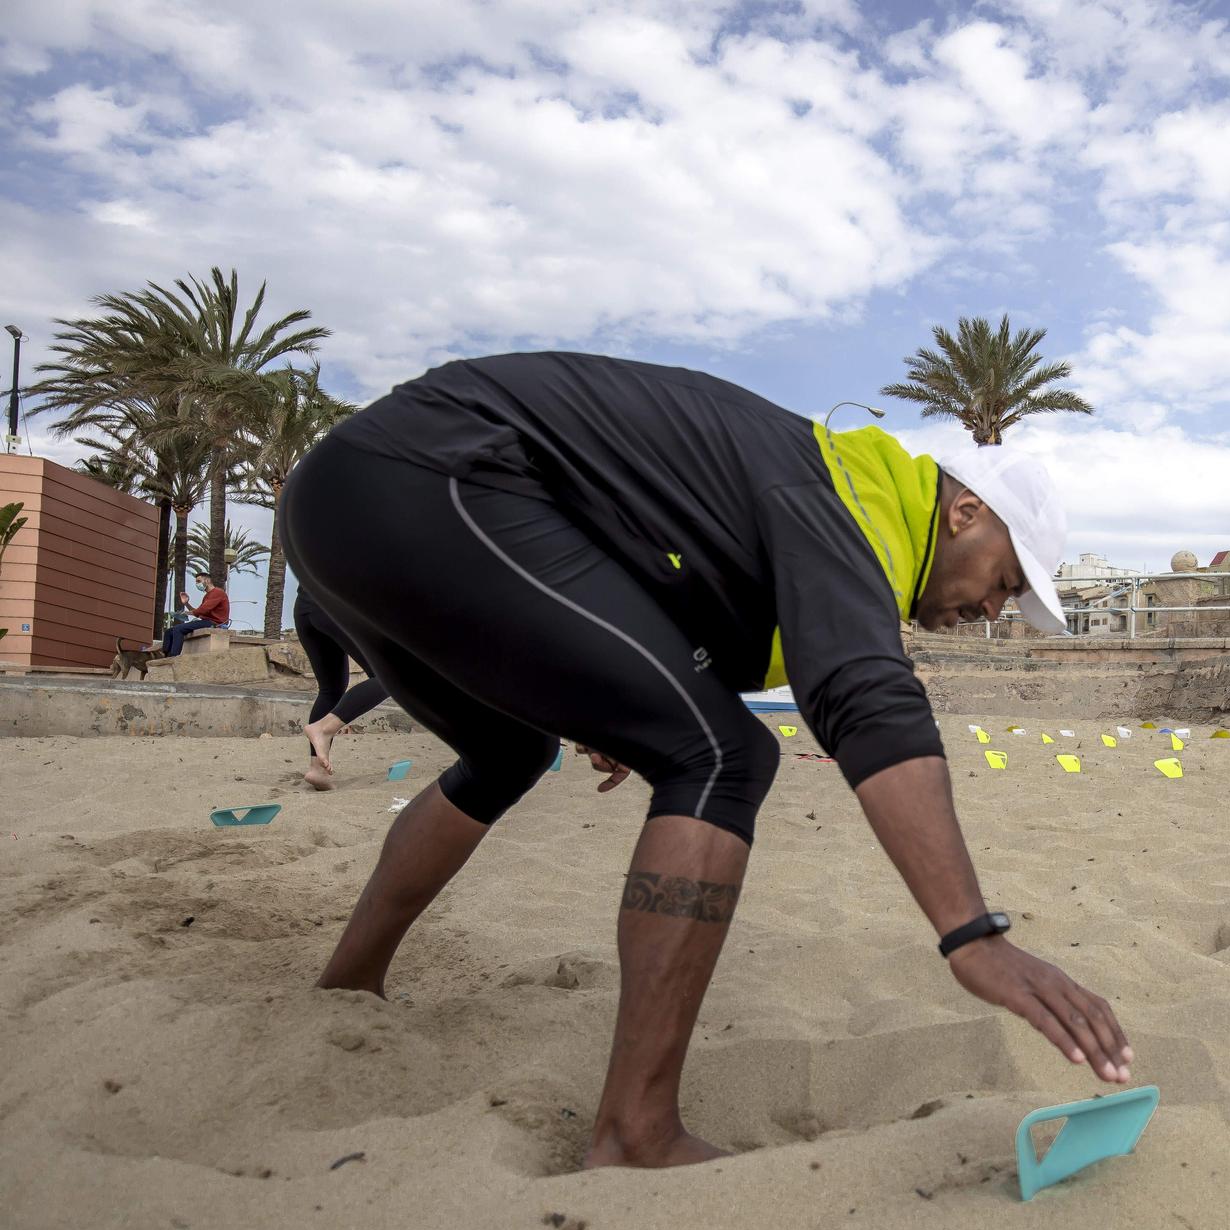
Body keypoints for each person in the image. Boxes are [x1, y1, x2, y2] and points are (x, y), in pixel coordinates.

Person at [278, 352, 1132, 1169]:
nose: (995, 608)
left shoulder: (808, 486)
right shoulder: (849, 499)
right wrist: (972, 936)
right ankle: (636, 1132)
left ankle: (348, 985)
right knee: (723, 757)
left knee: (509, 751)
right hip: (436, 479)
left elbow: (641, 560)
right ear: (965, 512)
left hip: (340, 503)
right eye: (1008, 579)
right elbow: (865, 698)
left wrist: (604, 699)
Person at [293, 581, 392, 790]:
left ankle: (317, 769)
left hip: (305, 607)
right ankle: (324, 728)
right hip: (335, 604)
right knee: (391, 675)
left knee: (331, 689)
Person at [161, 570, 229, 656]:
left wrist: (187, 613)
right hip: (206, 621)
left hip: (214, 623)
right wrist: (186, 603)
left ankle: (174, 656)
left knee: (178, 629)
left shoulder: (217, 593)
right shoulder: (208, 595)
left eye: (198, 581)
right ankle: (164, 654)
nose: (197, 584)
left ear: (207, 581)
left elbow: (202, 610)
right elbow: (200, 612)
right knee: (169, 632)